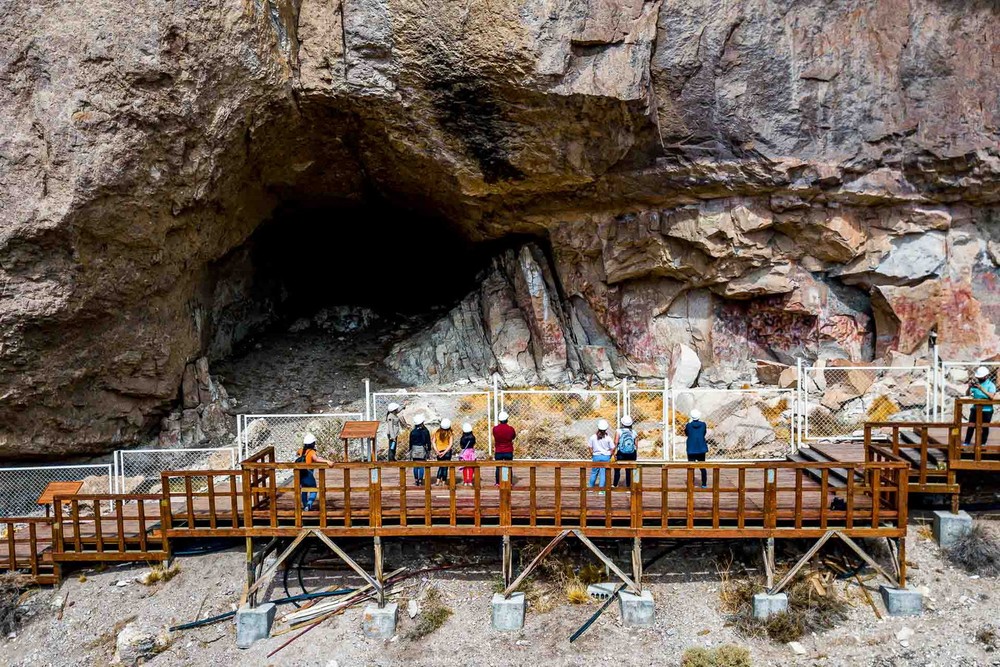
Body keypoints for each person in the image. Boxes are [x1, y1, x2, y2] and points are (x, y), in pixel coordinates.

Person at [295, 433, 332, 511]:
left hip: (301, 474)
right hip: (308, 473)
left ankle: (305, 506)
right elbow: (316, 459)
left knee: (304, 490)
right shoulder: (312, 452)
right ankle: (309, 504)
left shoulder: (301, 450)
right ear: (313, 444)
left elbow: (297, 453)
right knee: (314, 490)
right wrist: (327, 461)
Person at [965, 366, 997, 446]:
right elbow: (967, 394)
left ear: (986, 376)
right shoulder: (976, 384)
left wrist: (981, 388)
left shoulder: (991, 385)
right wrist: (969, 388)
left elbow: (991, 396)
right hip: (975, 408)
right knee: (971, 425)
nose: (979, 378)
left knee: (984, 427)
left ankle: (983, 443)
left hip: (987, 410)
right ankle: (967, 442)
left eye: (981, 377)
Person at [588, 419, 614, 492]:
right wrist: (610, 454)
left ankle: (590, 488)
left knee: (594, 472)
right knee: (603, 474)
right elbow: (612, 448)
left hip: (596, 456)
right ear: (606, 429)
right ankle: (601, 490)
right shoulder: (608, 438)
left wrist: (592, 454)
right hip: (606, 457)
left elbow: (590, 447)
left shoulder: (593, 437)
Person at [685, 409, 708, 488]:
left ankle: (691, 484)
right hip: (701, 448)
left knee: (691, 467)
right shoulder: (703, 424)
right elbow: (704, 433)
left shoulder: (688, 425)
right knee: (702, 467)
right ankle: (704, 484)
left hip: (691, 448)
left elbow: (687, 433)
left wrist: (689, 422)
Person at [613, 415, 638, 488]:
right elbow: (636, 444)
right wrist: (635, 453)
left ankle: (615, 484)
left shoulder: (618, 431)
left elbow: (616, 442)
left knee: (617, 469)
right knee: (629, 469)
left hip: (621, 452)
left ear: (622, 423)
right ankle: (629, 485)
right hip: (632, 453)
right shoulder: (634, 432)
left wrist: (614, 452)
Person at [492, 411, 516, 486]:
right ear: (507, 419)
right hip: (508, 450)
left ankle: (498, 482)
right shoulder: (510, 429)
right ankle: (508, 481)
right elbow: (513, 437)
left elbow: (495, 436)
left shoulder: (495, 429)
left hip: (498, 451)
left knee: (498, 467)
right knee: (508, 466)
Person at [409, 414, 431, 486]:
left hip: (414, 448)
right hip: (422, 448)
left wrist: (410, 449)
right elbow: (428, 441)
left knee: (415, 465)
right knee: (421, 465)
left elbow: (410, 442)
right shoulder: (425, 431)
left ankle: (416, 480)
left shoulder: (413, 432)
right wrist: (429, 449)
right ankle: (421, 480)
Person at [433, 419, 455, 486]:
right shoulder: (449, 433)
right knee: (445, 468)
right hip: (447, 452)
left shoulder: (437, 433)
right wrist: (445, 452)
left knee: (440, 467)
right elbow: (450, 444)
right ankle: (443, 482)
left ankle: (437, 481)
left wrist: (437, 451)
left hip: (439, 451)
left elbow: (433, 442)